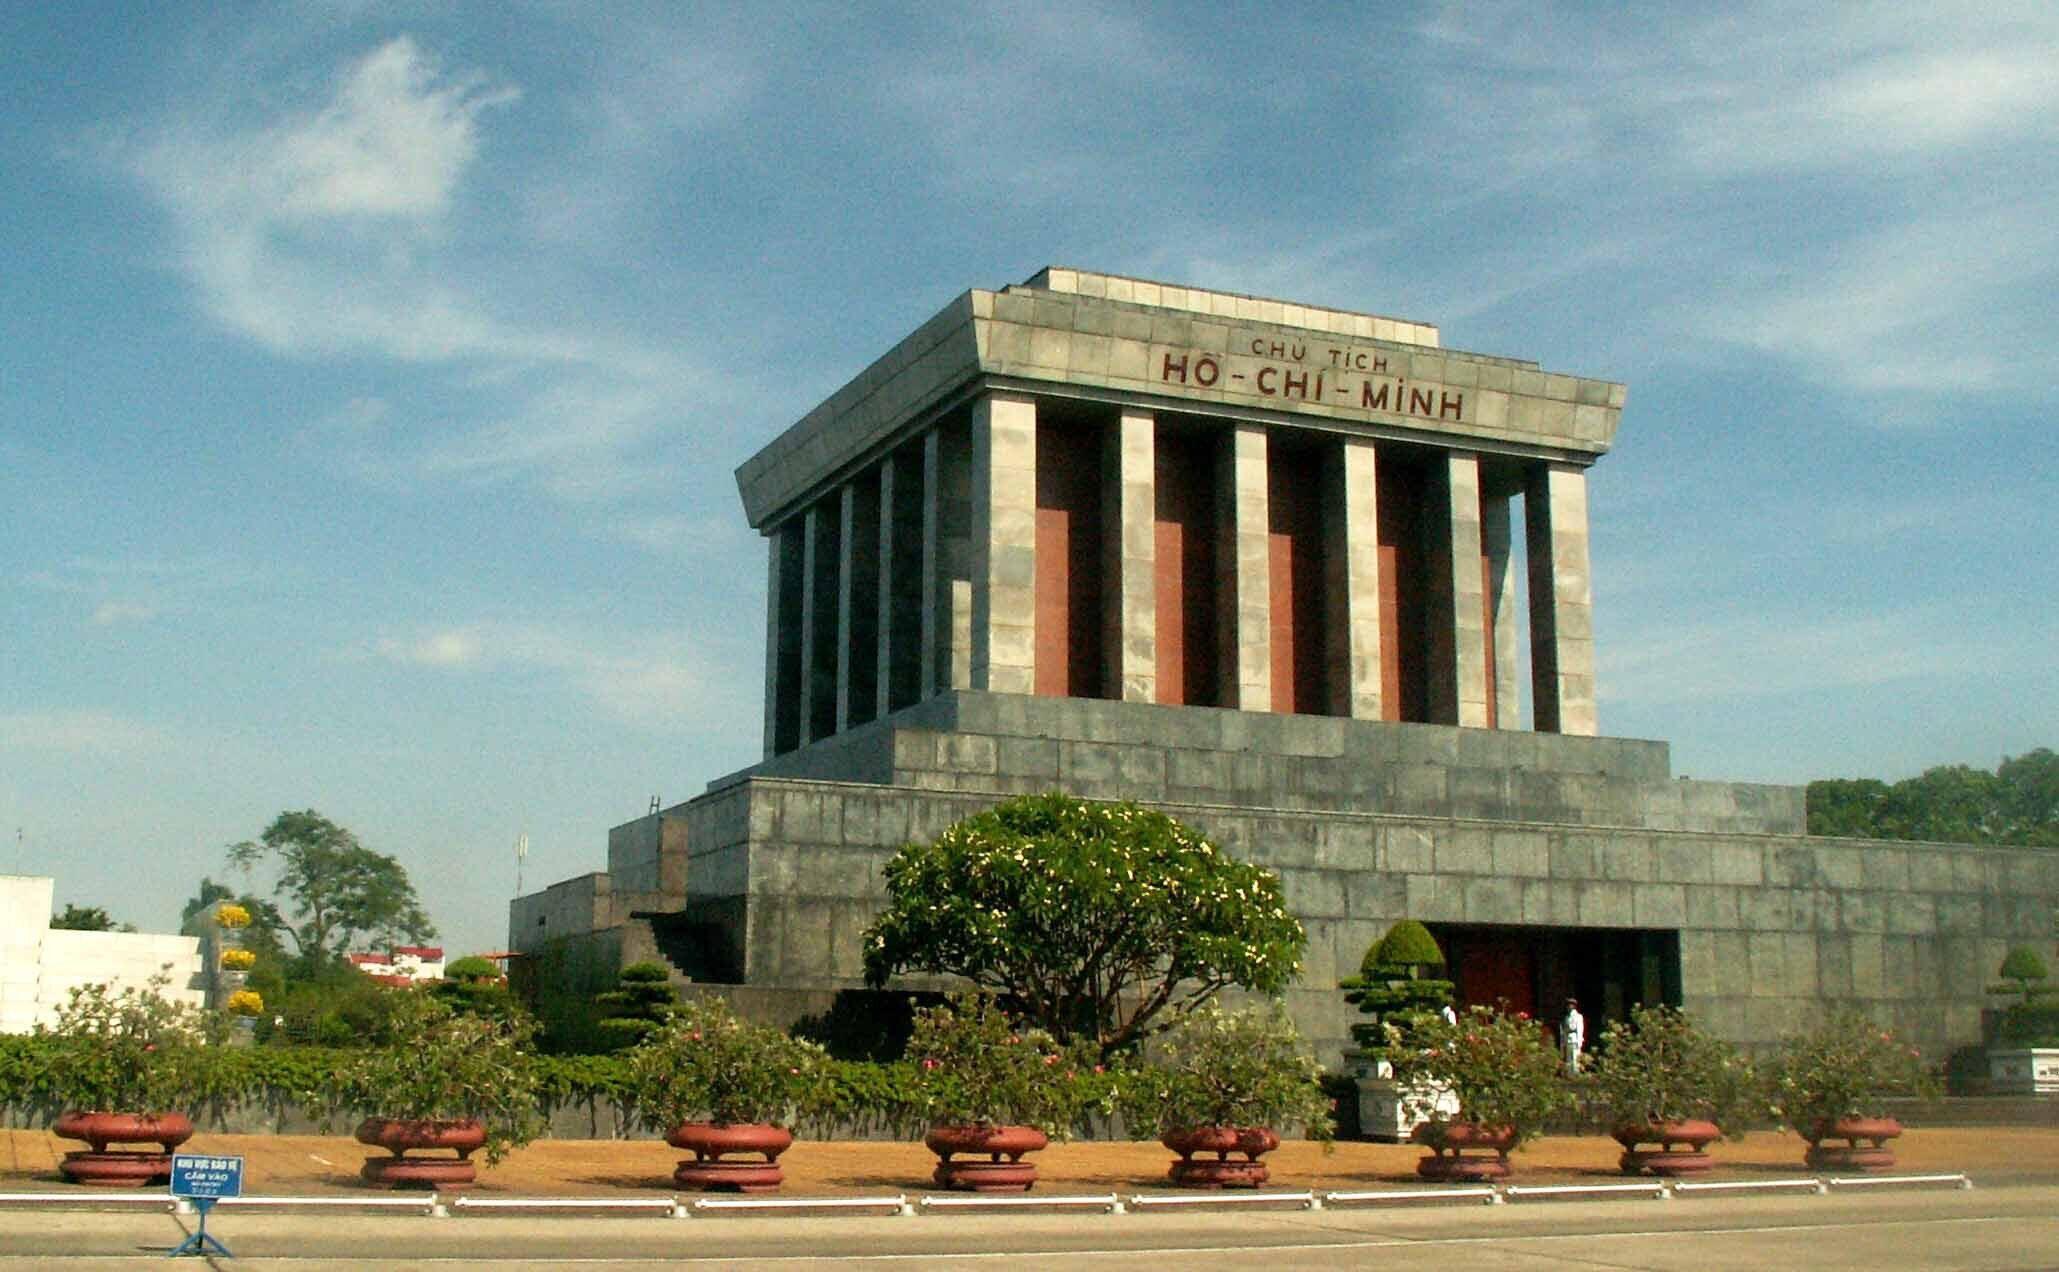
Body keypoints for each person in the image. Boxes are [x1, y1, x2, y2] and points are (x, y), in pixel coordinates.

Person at [1561, 998, 1586, 1075]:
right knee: (1568, 1058)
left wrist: (1579, 1041)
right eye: (1568, 1005)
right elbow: (1565, 1030)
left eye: (1571, 1005)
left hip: (1575, 1039)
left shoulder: (1578, 1016)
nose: (1569, 1006)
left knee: (1575, 1058)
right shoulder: (1567, 1017)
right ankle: (1569, 1074)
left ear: (1574, 1006)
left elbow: (1580, 1029)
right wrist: (1564, 1041)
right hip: (1568, 1039)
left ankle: (1575, 1073)